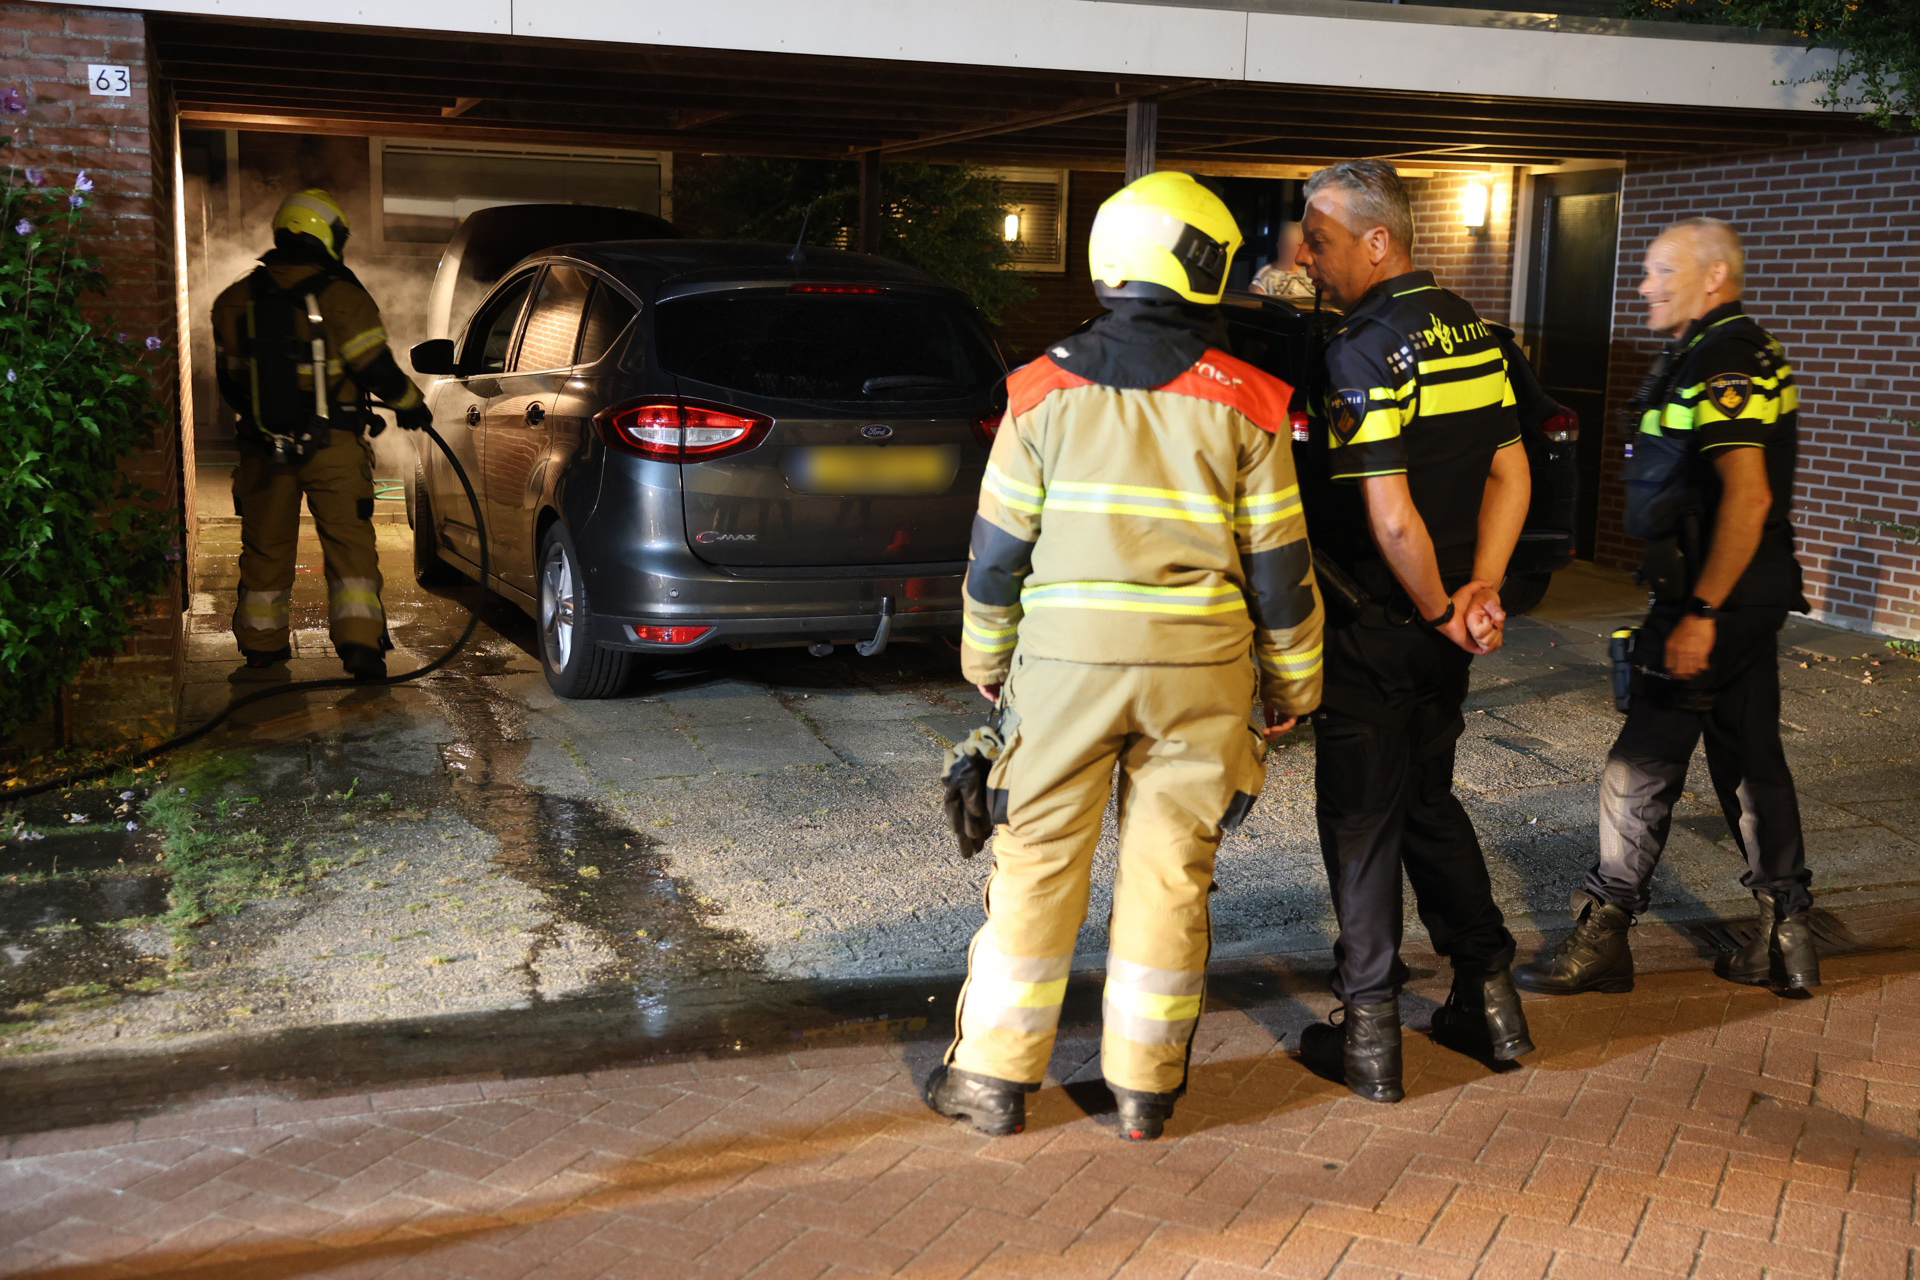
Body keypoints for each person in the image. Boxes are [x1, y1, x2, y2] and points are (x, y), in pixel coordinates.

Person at [925, 172, 1324, 1142]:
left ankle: (990, 1077)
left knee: (1035, 866)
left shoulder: (1036, 390)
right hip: (1201, 673)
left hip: (1065, 672)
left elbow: (996, 549)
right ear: (1204, 263)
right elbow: (1279, 565)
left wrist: (987, 656)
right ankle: (1143, 1090)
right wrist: (1295, 680)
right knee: (1169, 877)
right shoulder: (1253, 400)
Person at [1516, 218, 1816, 997]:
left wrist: (1701, 612)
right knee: (1751, 758)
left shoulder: (1722, 362)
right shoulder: (1726, 348)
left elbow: (1745, 499)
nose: (1642, 285)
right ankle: (1788, 934)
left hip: (1715, 595)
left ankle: (1607, 931)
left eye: (1657, 271)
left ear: (1713, 276)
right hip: (1749, 593)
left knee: (1639, 764)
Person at [1291, 160, 1533, 1104]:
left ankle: (1371, 1036)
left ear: (1377, 241)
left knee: (1359, 823)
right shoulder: (1472, 330)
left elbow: (1390, 520)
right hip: (1447, 627)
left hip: (1380, 621)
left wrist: (1437, 602)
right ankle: (1491, 1000)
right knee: (1428, 801)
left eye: (1323, 240)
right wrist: (1481, 593)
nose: (1310, 258)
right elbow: (1511, 475)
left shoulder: (1362, 349)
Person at [211, 188, 431, 682]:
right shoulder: (341, 296)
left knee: (265, 546)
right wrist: (412, 406)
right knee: (348, 547)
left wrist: (266, 427)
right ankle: (359, 648)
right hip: (333, 447)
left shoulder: (233, 300)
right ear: (324, 235)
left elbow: (229, 382)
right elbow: (376, 368)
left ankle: (261, 647)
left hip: (263, 450)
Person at [1250, 221, 1315, 302]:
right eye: (1287, 246)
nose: (1291, 251)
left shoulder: (1313, 274)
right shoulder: (1264, 277)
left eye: (1296, 246)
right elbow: (1256, 308)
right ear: (1279, 246)